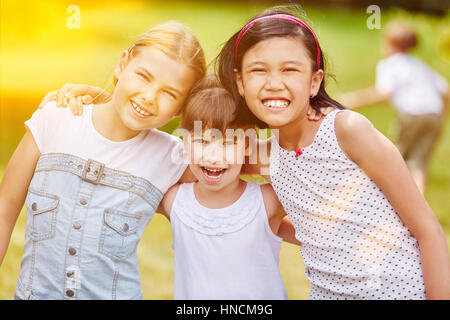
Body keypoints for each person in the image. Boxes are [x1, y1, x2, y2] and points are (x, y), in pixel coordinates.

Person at [216, 8, 450, 299]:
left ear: (314, 81)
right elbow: (195, 162)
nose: (274, 83)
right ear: (240, 82)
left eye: (290, 69)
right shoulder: (265, 155)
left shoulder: (347, 130)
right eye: (258, 70)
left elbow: (428, 231)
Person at [0, 21, 207, 299]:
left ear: (181, 107)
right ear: (122, 64)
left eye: (169, 93)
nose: (149, 97)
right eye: (143, 76)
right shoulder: (55, 118)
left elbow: (234, 178)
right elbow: (6, 206)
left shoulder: (173, 156)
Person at [158, 75, 298, 299]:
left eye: (228, 143)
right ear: (183, 142)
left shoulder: (267, 201)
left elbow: (304, 172)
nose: (213, 156)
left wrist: (249, 164)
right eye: (202, 141)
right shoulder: (173, 200)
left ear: (247, 145)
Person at [338, 20, 448, 194]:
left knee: (394, 158)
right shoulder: (420, 65)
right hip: (433, 115)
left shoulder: (390, 64)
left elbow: (383, 93)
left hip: (412, 114)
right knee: (418, 163)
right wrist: (442, 117)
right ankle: (419, 207)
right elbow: (446, 91)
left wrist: (353, 101)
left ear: (390, 43)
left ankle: (385, 202)